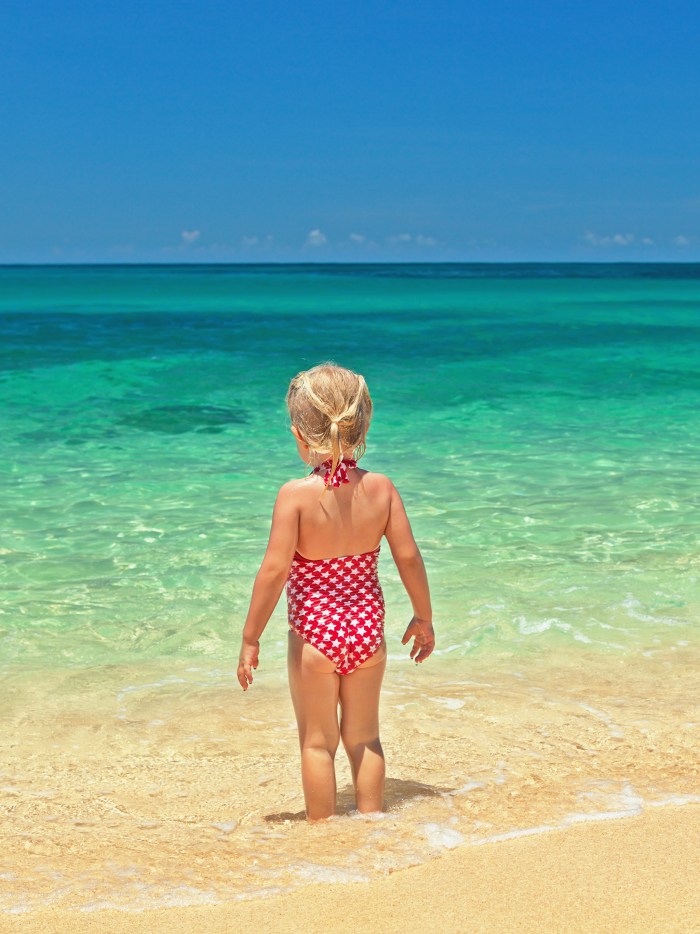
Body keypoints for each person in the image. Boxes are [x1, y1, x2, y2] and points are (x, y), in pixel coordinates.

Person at [237, 362, 435, 820]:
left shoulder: (296, 496)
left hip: (315, 637)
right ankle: (371, 824)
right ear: (362, 424)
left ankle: (324, 838)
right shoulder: (381, 488)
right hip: (367, 632)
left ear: (299, 435)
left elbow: (273, 572)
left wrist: (251, 638)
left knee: (317, 742)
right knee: (365, 738)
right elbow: (409, 558)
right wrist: (423, 617)